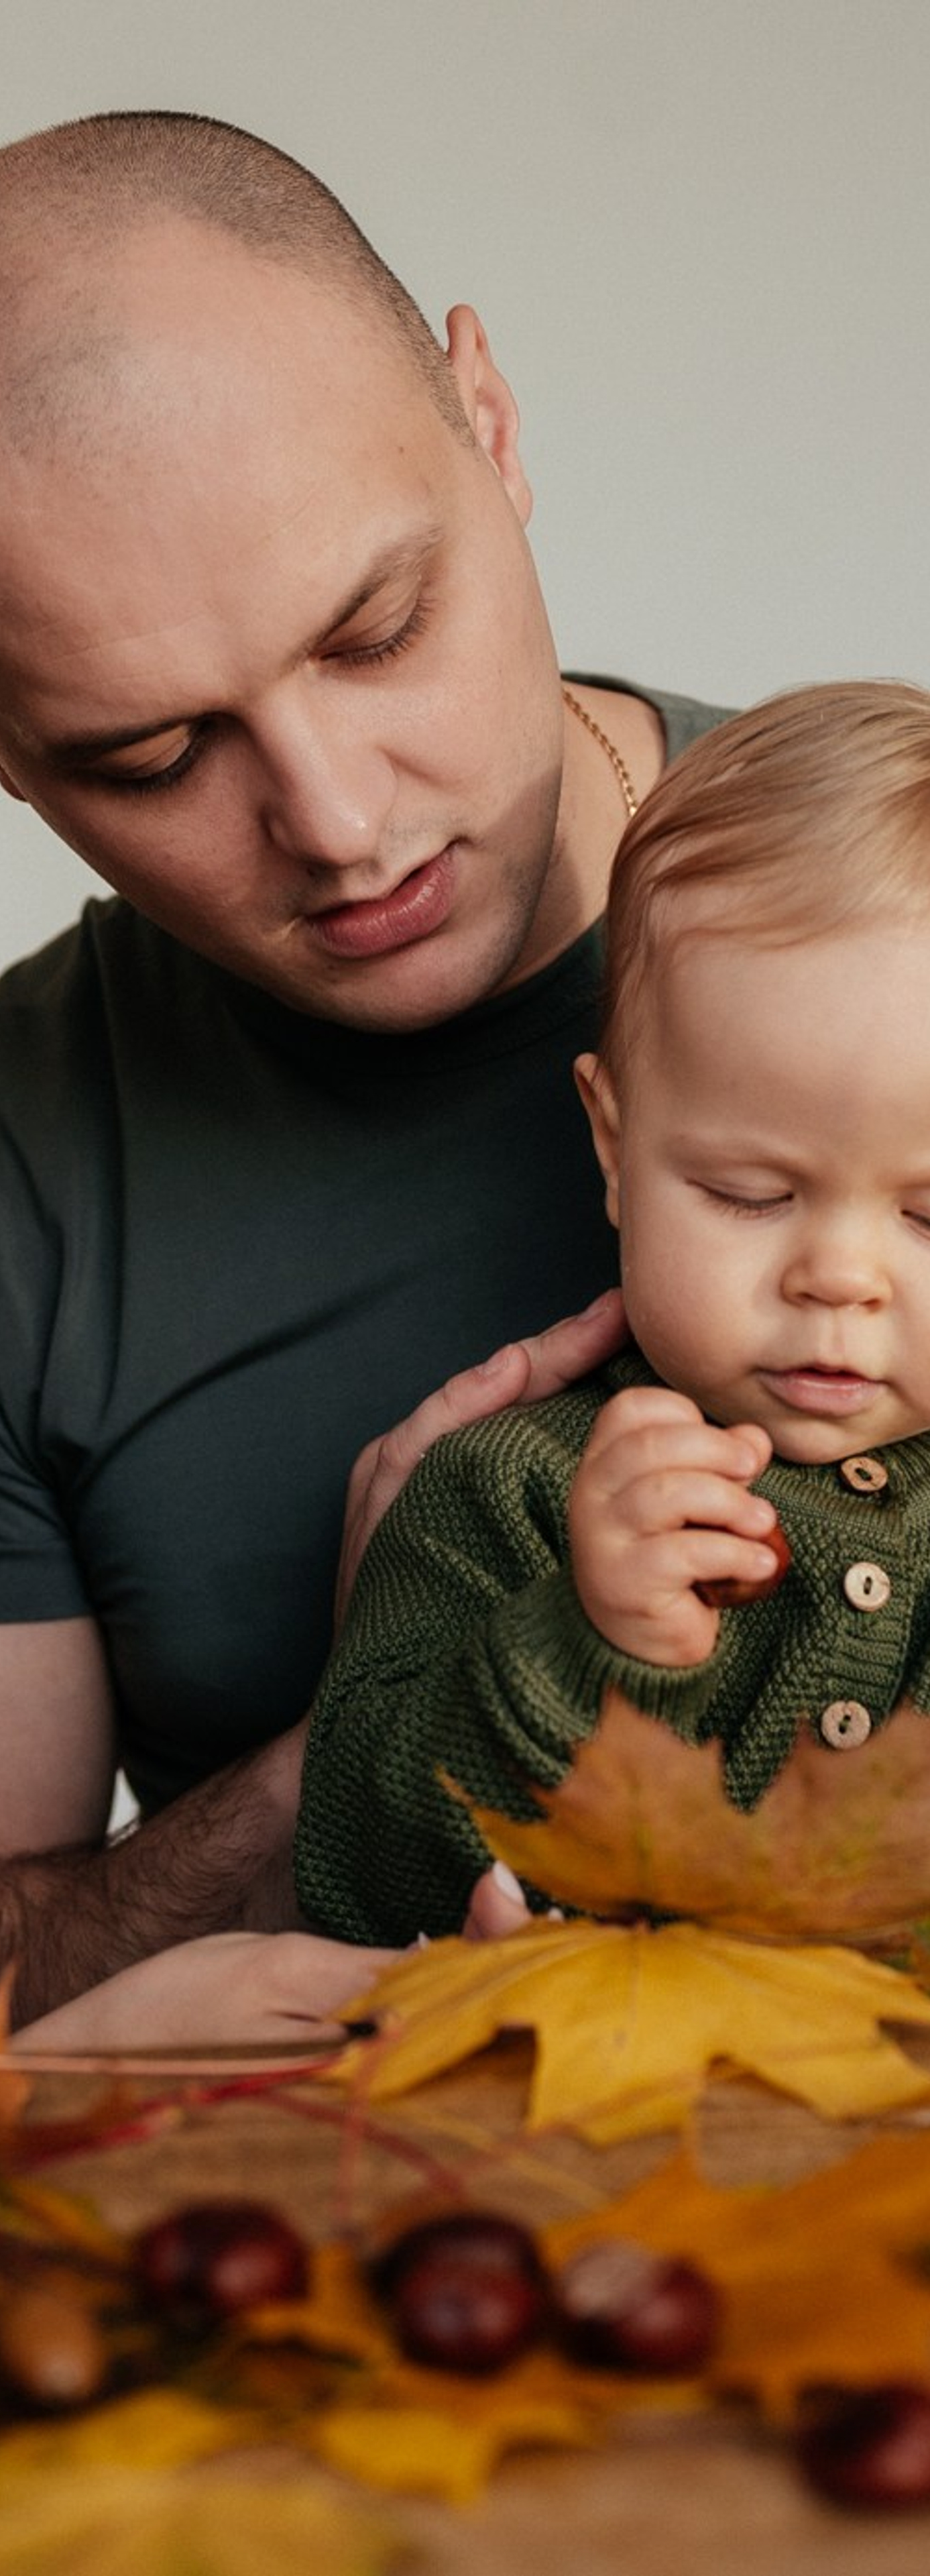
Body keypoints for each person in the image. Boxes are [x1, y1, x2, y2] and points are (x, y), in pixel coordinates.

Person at [0, 110, 736, 2047]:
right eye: (149, 756)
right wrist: (375, 1722)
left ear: (488, 417)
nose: (335, 818)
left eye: (375, 633)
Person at [294, 682, 930, 1944]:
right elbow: (356, 1873)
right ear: (614, 1149)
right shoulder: (514, 1493)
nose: (841, 1279)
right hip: (604, 2120)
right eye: (750, 1195)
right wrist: (585, 1641)